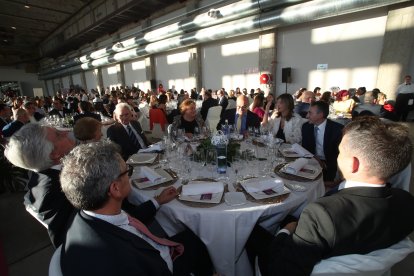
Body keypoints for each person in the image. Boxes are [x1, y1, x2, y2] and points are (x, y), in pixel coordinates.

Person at [246, 117, 414, 276]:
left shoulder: (321, 214)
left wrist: (285, 231)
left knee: (248, 231)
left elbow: (281, 271)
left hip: (297, 257)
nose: (337, 154)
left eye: (340, 151)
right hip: (349, 242)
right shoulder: (406, 202)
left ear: (353, 163)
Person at [5, 124, 178, 248]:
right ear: (54, 154)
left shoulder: (39, 177)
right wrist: (156, 201)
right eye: (58, 135)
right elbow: (111, 222)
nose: (66, 133)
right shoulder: (62, 187)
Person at [60, 141, 213, 276]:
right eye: (128, 171)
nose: (130, 177)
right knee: (202, 240)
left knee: (193, 235)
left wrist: (158, 201)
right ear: (115, 188)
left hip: (150, 253)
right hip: (162, 266)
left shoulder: (89, 213)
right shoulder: (118, 260)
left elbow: (129, 219)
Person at [302, 101, 343, 185]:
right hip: (311, 164)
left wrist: (324, 164)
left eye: (310, 113)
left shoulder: (337, 130)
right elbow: (305, 149)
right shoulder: (306, 127)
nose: (307, 116)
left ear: (320, 115)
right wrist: (315, 159)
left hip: (331, 167)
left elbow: (340, 154)